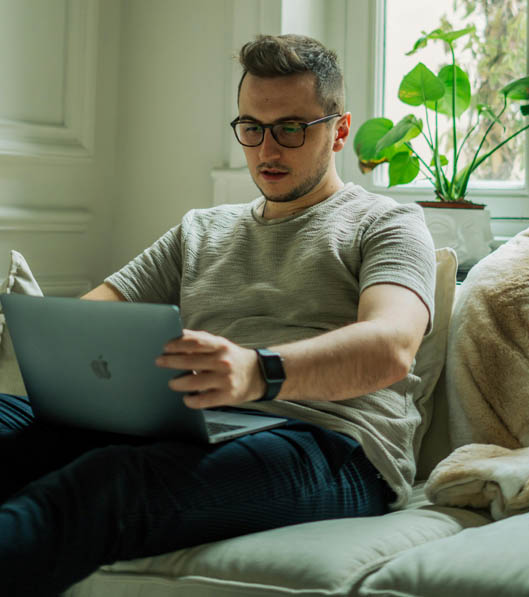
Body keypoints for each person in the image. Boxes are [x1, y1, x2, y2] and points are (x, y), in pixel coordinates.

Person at [0, 34, 435, 595]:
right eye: (251, 128)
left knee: (108, 485)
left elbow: (391, 346)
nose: (267, 149)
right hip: (201, 425)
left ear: (340, 130)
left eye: (291, 129)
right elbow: (86, 323)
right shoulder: (202, 230)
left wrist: (258, 372)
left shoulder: (388, 223)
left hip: (333, 445)